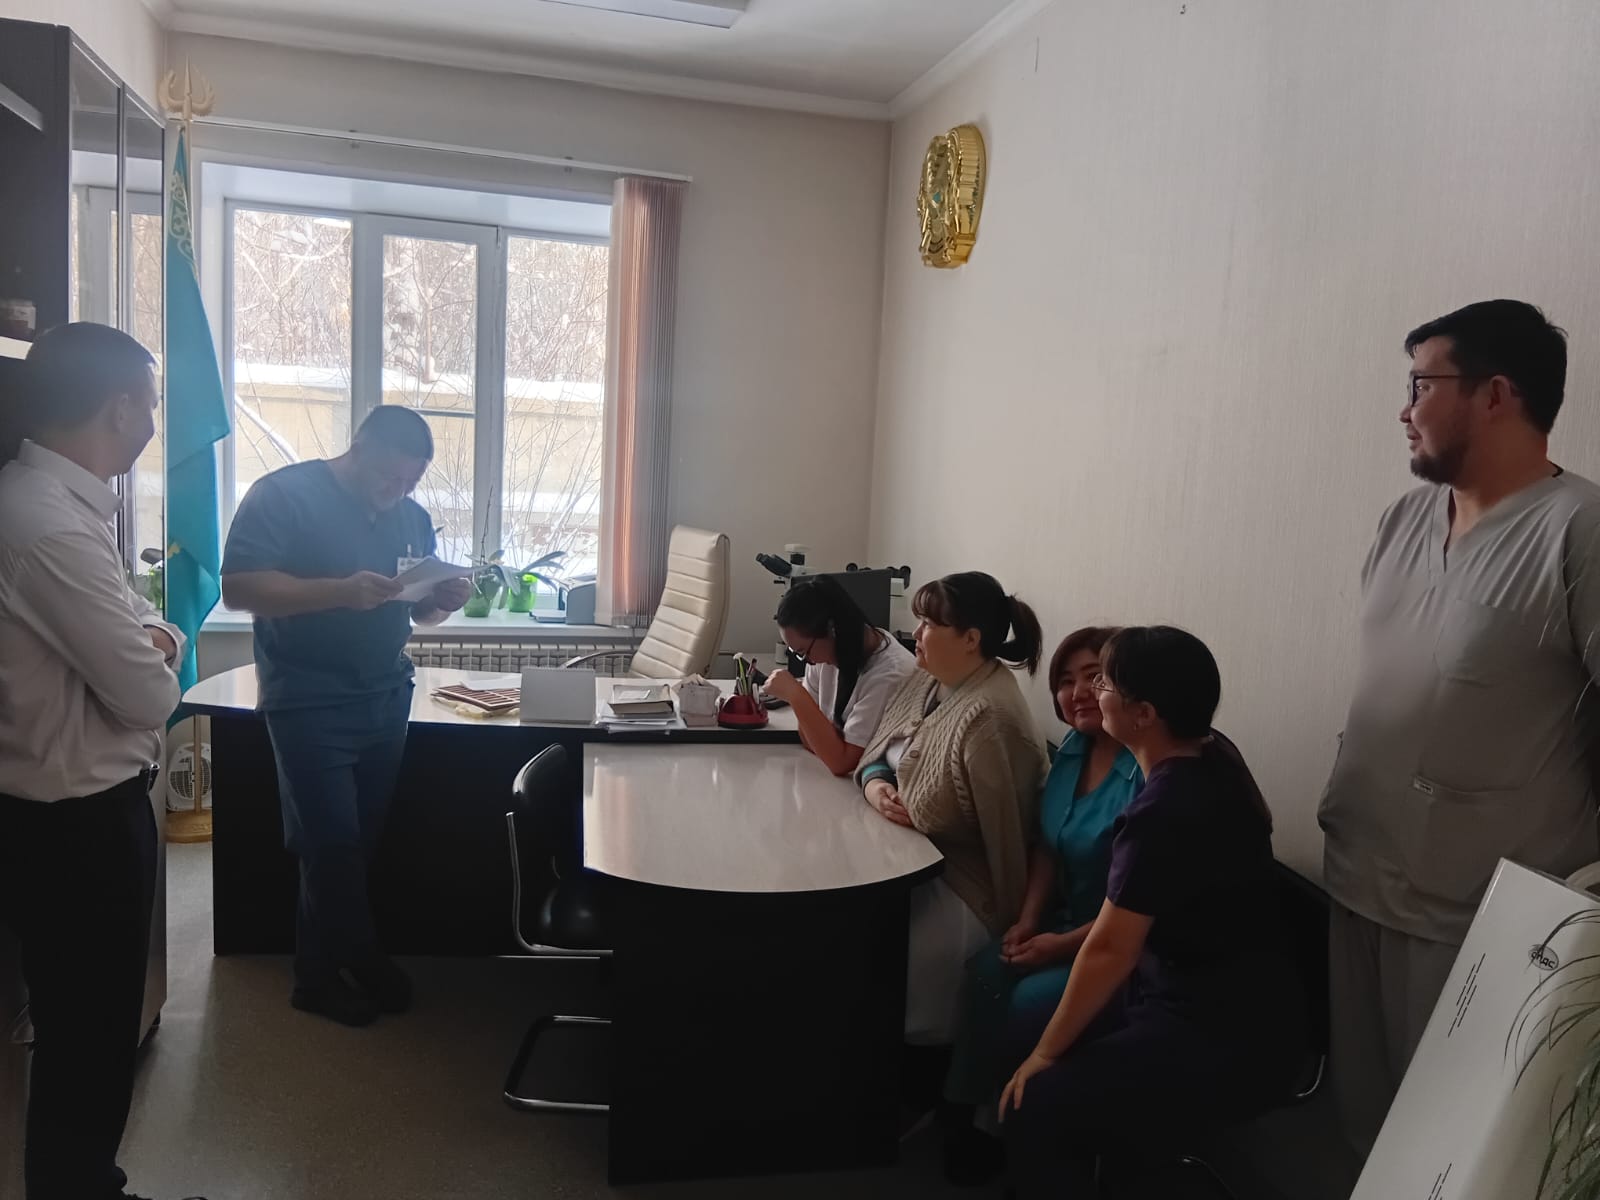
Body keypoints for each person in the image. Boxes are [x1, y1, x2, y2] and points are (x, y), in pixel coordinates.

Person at [1318, 299, 1600, 1157]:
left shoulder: (1577, 530)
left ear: (1495, 395)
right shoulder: (1403, 521)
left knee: (1448, 1156)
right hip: (1359, 877)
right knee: (1366, 1136)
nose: (1404, 409)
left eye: (1421, 385)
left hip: (1481, 915)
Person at [0, 323, 208, 1200]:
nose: (155, 424)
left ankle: (87, 1182)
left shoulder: (58, 505)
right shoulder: (47, 525)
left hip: (75, 812)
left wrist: (151, 637)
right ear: (120, 408)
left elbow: (143, 624)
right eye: (152, 405)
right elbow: (150, 694)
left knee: (89, 1029)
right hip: (73, 825)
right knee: (88, 1035)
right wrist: (156, 643)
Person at [998, 627, 1301, 1199]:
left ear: (1143, 714)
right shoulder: (1214, 753)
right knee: (1031, 1020)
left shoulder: (1161, 812)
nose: (1092, 693)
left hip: (1213, 1025)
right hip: (1223, 995)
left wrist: (1044, 1055)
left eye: (1104, 682)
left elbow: (1112, 948)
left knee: (1036, 1101)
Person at [221, 405, 472, 1027]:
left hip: (384, 693)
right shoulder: (283, 495)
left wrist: (445, 600)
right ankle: (354, 962)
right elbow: (238, 588)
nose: (399, 491)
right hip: (306, 696)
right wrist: (338, 590)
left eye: (411, 481)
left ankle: (319, 972)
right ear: (358, 449)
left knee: (352, 845)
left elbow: (419, 614)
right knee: (329, 842)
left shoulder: (412, 516)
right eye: (390, 477)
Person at [853, 573, 1047, 1146]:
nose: (915, 634)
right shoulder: (928, 679)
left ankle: (918, 1090)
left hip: (961, 886)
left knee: (877, 959)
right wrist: (875, 785)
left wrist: (1012, 932)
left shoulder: (991, 718)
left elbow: (1008, 844)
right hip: (901, 856)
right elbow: (876, 753)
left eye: (930, 623)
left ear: (971, 638)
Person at [948, 628, 1140, 1113]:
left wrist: (1060, 945)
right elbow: (1049, 848)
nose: (1078, 692)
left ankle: (1018, 1119)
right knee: (984, 972)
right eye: (1066, 681)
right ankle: (967, 1111)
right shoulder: (1072, 750)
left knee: (1029, 1002)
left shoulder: (1146, 770)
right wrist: (1029, 920)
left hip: (1123, 949)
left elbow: (1140, 909)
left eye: (1094, 677)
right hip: (1062, 922)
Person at [760, 575, 916, 776]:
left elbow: (841, 762)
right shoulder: (826, 653)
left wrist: (796, 695)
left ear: (832, 629)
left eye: (804, 651)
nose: (808, 661)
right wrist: (828, 741)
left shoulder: (890, 674)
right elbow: (808, 738)